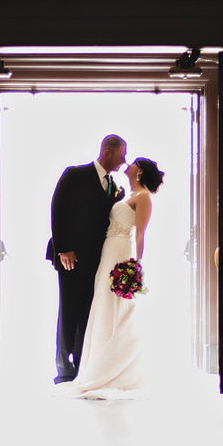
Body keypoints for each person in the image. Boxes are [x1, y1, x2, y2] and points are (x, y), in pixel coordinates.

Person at [63, 156, 165, 399]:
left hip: (122, 253)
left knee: (117, 306)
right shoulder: (125, 194)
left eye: (132, 163)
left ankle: (115, 369)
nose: (127, 165)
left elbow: (140, 234)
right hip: (108, 252)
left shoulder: (143, 197)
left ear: (139, 172)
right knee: (102, 303)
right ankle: (96, 362)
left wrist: (135, 266)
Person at [47, 134, 127, 384]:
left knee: (87, 312)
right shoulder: (75, 175)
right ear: (107, 153)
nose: (124, 161)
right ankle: (63, 369)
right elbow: (57, 208)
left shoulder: (114, 186)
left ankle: (81, 365)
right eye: (121, 155)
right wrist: (64, 248)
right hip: (71, 257)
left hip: (97, 259)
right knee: (69, 309)